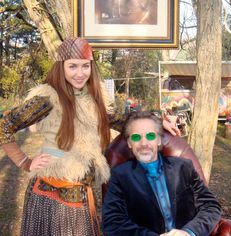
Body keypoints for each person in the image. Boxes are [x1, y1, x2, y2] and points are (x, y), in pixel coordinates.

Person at [0, 38, 179, 236]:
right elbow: (4, 126)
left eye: (85, 66)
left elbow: (124, 120)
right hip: (52, 193)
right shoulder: (47, 97)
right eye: (73, 66)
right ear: (61, 67)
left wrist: (157, 122)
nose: (80, 73)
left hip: (84, 192)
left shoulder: (95, 97)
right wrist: (25, 162)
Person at [102, 111, 221, 236]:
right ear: (129, 143)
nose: (144, 143)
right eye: (136, 137)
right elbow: (112, 222)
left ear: (159, 140)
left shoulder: (183, 167)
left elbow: (211, 206)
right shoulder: (120, 176)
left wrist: (188, 232)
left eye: (150, 136)